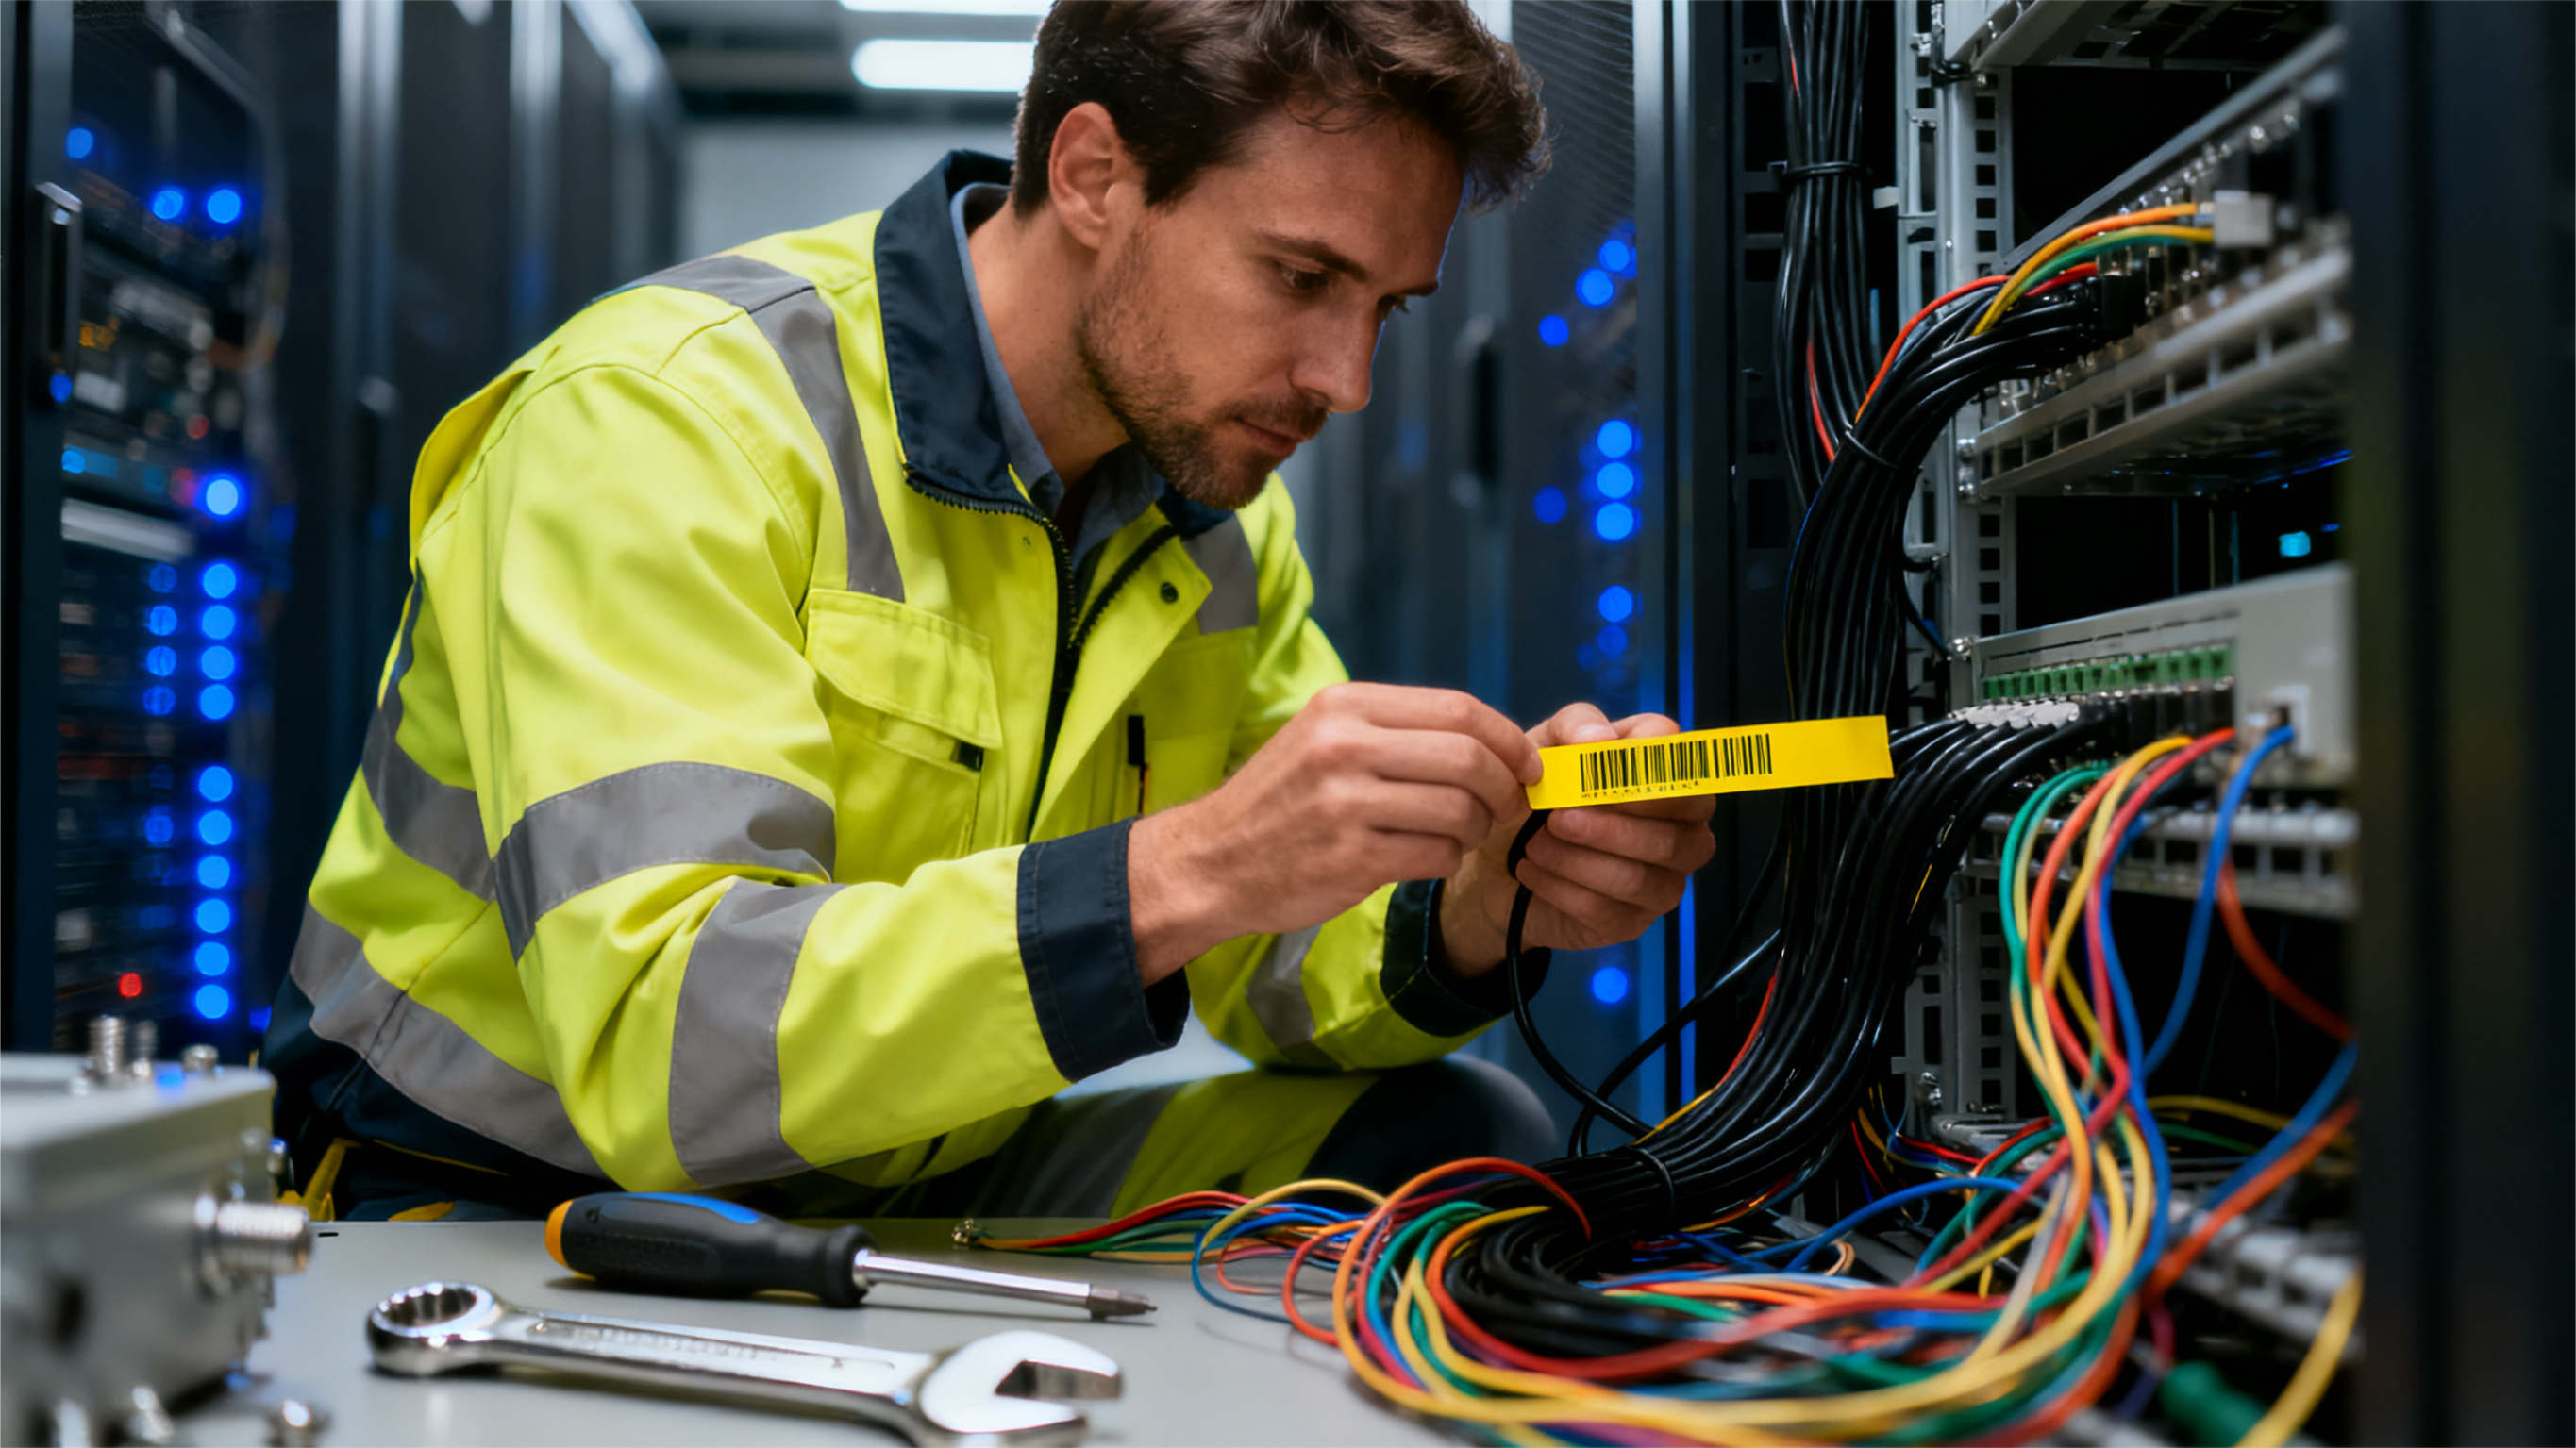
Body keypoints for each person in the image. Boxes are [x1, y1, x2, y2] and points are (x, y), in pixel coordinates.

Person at [263, 0, 1717, 1222]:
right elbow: (672, 1044)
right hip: (520, 1188)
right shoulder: (666, 421)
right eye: (1299, 277)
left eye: (1386, 307)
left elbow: (1280, 960)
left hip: (919, 1158)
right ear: (1091, 174)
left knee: (1454, 1150)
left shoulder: (1204, 518)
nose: (1344, 377)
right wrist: (1182, 869)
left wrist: (1477, 907)